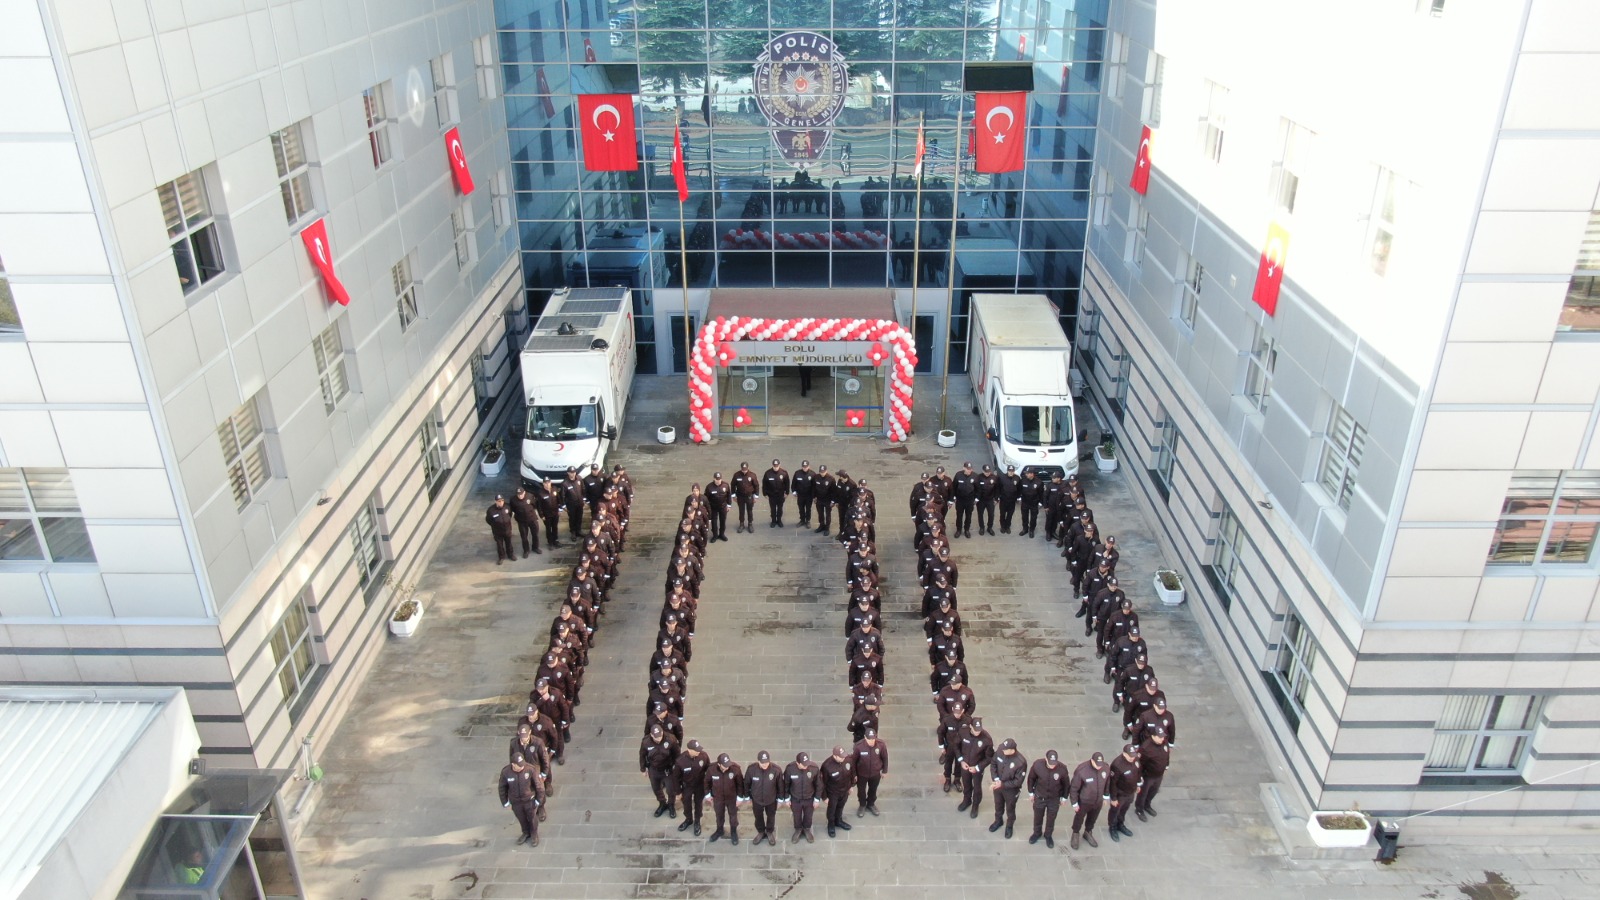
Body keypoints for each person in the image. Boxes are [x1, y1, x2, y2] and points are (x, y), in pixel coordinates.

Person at [499, 753, 545, 846]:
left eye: (522, 764)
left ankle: (534, 834)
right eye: (519, 766)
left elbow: (539, 786)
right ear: (513, 764)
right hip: (516, 802)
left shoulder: (530, 769)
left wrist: (538, 800)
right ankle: (525, 832)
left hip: (529, 800)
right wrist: (505, 802)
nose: (522, 767)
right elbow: (502, 788)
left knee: (532, 819)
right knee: (521, 818)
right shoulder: (506, 772)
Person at [1026, 749, 1067, 847]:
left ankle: (1048, 835)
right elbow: (1031, 778)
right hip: (1040, 797)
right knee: (1038, 817)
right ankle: (1037, 833)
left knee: (1051, 819)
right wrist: (1031, 793)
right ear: (1046, 759)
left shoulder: (1062, 768)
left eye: (1054, 763)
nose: (1053, 765)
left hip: (1054, 799)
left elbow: (1066, 784)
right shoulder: (1037, 765)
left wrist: (1064, 798)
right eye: (1050, 763)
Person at [956, 716, 995, 819]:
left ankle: (975, 804)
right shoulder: (963, 732)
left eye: (979, 730)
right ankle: (967, 800)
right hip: (965, 766)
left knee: (977, 787)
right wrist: (961, 760)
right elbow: (956, 746)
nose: (978, 732)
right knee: (966, 783)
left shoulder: (986, 739)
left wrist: (977, 767)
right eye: (975, 730)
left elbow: (989, 757)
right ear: (970, 727)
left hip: (977, 768)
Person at [1068, 751, 1109, 849]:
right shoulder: (1082, 770)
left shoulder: (1106, 767)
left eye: (1100, 764)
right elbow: (1074, 788)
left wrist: (1106, 796)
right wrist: (1074, 803)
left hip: (1098, 801)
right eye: (1097, 764)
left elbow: (1107, 783)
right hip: (1084, 801)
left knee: (1093, 818)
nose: (1099, 767)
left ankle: (1088, 832)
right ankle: (1075, 833)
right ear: (1092, 761)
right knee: (1079, 818)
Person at [989, 738, 1027, 838]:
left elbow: (1018, 781)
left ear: (1012, 750)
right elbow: (993, 764)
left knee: (1010, 809)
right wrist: (996, 779)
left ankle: (1009, 826)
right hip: (998, 786)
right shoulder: (1000, 752)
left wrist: (1002, 784)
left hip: (1011, 790)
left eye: (1005, 749)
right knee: (998, 805)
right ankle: (998, 820)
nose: (1003, 750)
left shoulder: (1020, 762)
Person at [640, 724, 679, 818]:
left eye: (660, 736)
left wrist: (676, 768)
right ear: (651, 735)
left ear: (662, 732)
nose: (658, 739)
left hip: (667, 769)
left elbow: (677, 754)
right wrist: (643, 768)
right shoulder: (646, 742)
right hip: (653, 769)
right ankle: (662, 803)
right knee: (656, 788)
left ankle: (671, 805)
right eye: (656, 737)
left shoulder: (670, 739)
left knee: (671, 790)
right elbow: (642, 754)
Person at [783, 751, 821, 843]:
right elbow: (786, 784)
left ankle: (807, 829)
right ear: (797, 763)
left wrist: (816, 799)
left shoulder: (814, 768)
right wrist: (787, 798)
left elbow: (819, 785)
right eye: (803, 765)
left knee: (809, 816)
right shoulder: (790, 769)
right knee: (797, 816)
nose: (806, 766)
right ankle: (798, 829)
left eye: (807, 764)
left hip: (809, 798)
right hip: (795, 798)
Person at [1106, 743, 1142, 841]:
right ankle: (1112, 827)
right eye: (1130, 756)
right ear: (1124, 754)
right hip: (1120, 794)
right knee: (1115, 811)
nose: (1132, 758)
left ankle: (1120, 824)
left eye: (1133, 756)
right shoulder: (1117, 765)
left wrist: (1138, 784)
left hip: (1130, 792)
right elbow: (1113, 783)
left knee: (1124, 810)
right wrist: (1113, 798)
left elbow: (1138, 772)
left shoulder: (1135, 759)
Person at [744, 750, 782, 845]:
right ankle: (761, 831)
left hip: (771, 800)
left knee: (771, 817)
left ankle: (769, 831)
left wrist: (781, 800)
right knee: (758, 817)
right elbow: (746, 784)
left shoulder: (776, 770)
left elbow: (780, 786)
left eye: (766, 762)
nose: (765, 765)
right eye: (762, 763)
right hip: (756, 800)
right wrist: (747, 797)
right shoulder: (751, 770)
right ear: (758, 761)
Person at [707, 753, 745, 844]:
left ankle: (733, 832)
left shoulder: (735, 769)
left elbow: (740, 784)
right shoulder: (711, 770)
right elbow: (706, 782)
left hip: (731, 797)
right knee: (719, 815)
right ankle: (719, 830)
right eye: (724, 766)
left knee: (733, 816)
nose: (727, 767)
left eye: (728, 765)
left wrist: (740, 797)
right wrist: (707, 795)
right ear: (719, 764)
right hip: (718, 797)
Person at [1134, 727, 1171, 821]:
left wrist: (1166, 765)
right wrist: (1140, 778)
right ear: (1153, 736)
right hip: (1148, 776)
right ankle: (1139, 809)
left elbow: (1167, 755)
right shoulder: (1145, 748)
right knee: (1143, 793)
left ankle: (1147, 805)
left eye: (1162, 736)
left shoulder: (1164, 743)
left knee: (1153, 791)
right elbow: (1139, 764)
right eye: (1159, 737)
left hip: (1159, 774)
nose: (1162, 738)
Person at [675, 740, 710, 835]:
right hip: (687, 786)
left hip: (699, 785)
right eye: (696, 750)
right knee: (686, 803)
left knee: (698, 804)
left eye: (699, 749)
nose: (698, 752)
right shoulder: (680, 761)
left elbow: (708, 770)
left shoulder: (703, 756)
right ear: (689, 750)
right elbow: (676, 778)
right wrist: (678, 792)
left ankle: (697, 821)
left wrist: (708, 786)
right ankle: (688, 819)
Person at [820, 746, 855, 837]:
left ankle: (838, 821)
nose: (843, 758)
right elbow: (822, 783)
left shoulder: (848, 760)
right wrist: (824, 797)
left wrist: (851, 786)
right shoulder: (827, 766)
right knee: (832, 810)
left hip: (845, 791)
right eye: (841, 757)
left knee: (840, 807)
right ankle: (831, 824)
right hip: (833, 793)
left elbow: (852, 773)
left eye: (844, 756)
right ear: (835, 756)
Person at [852, 728, 888, 817]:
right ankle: (862, 805)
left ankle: (871, 804)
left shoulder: (881, 745)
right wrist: (854, 774)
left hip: (875, 773)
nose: (872, 741)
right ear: (865, 737)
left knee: (873, 789)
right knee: (861, 791)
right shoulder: (858, 746)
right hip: (861, 774)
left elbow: (885, 758)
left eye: (873, 738)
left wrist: (884, 771)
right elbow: (853, 762)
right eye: (869, 739)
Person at [508, 487, 542, 557]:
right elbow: (512, 509)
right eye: (518, 494)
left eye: (521, 494)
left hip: (532, 519)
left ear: (524, 493)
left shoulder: (530, 496)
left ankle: (535, 547)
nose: (520, 496)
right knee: (524, 537)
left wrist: (539, 515)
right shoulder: (513, 499)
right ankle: (526, 550)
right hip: (522, 521)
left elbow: (535, 505)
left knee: (535, 534)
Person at [951, 461, 978, 538]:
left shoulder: (975, 476)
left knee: (968, 516)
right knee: (959, 515)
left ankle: (967, 530)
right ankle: (958, 530)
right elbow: (953, 487)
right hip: (960, 500)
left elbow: (978, 488)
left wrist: (976, 499)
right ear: (964, 468)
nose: (969, 470)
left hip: (970, 500)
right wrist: (954, 497)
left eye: (970, 469)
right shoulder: (958, 475)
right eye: (967, 469)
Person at [486, 495, 515, 564]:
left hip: (507, 530)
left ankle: (510, 555)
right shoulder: (491, 510)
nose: (501, 502)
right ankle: (501, 557)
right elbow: (488, 520)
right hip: (497, 532)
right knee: (499, 545)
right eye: (499, 501)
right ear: (496, 501)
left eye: (502, 501)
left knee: (509, 543)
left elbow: (510, 515)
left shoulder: (507, 506)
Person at [730, 462, 759, 533]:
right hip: (740, 496)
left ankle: (750, 524)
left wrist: (756, 496)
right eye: (743, 469)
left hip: (749, 496)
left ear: (748, 468)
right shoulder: (736, 475)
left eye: (745, 469)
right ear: (741, 468)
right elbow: (733, 485)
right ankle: (741, 524)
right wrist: (733, 496)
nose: (744, 471)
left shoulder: (752, 475)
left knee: (750, 510)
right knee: (741, 510)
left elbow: (756, 486)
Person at [535, 478, 564, 549]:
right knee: (548, 529)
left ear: (550, 482)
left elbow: (559, 500)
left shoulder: (554, 489)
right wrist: (541, 515)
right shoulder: (540, 493)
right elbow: (539, 506)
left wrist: (560, 510)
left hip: (555, 513)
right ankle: (550, 542)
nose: (547, 484)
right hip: (546, 515)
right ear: (543, 484)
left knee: (555, 527)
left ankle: (555, 541)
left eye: (548, 482)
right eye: (546, 483)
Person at [762, 459, 790, 527]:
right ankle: (773, 521)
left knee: (780, 508)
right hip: (772, 495)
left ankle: (779, 520)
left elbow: (787, 483)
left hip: (780, 495)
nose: (775, 467)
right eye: (774, 466)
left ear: (779, 465)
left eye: (777, 466)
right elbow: (764, 484)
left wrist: (787, 493)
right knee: (773, 509)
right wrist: (765, 494)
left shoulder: (784, 473)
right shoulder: (768, 473)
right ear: (772, 465)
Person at [704, 472, 731, 541]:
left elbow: (728, 495)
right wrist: (707, 508)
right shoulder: (709, 487)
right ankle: (715, 535)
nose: (718, 481)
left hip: (723, 506)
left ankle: (722, 534)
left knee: (723, 521)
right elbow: (706, 498)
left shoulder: (726, 485)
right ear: (714, 479)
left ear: (721, 479)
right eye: (716, 479)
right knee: (714, 522)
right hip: (713, 507)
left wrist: (729, 505)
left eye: (719, 479)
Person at [1017, 469, 1043, 537]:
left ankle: (1031, 530)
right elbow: (1019, 489)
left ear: (1032, 474)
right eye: (1026, 473)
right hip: (1025, 502)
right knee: (1024, 517)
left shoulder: (1039, 482)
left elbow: (1041, 493)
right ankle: (1025, 529)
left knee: (1033, 518)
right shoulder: (1023, 480)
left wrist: (1040, 503)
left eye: (1027, 473)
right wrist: (1019, 497)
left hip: (1034, 503)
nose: (1026, 474)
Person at [997, 465, 1021, 534]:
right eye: (1009, 471)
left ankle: (1007, 526)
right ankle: (1002, 526)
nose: (1011, 472)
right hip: (1003, 500)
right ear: (1007, 471)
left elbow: (1019, 489)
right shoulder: (1001, 477)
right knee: (1002, 514)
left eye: (1012, 471)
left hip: (1012, 500)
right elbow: (998, 487)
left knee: (1010, 514)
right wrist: (998, 496)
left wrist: (1018, 497)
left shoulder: (1017, 478)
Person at [975, 464, 999, 536]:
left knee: (991, 515)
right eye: (986, 472)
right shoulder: (978, 477)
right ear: (983, 471)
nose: (987, 473)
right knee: (980, 514)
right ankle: (982, 527)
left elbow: (997, 489)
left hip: (990, 500)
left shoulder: (994, 477)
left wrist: (996, 499)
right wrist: (976, 499)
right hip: (981, 500)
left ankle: (990, 528)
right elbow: (976, 488)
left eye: (988, 471)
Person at [792, 460, 817, 527]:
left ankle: (808, 521)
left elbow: (814, 486)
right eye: (803, 467)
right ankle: (802, 520)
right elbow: (794, 483)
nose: (805, 468)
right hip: (800, 495)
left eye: (806, 467)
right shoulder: (797, 473)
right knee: (801, 508)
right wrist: (794, 491)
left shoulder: (813, 474)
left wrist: (814, 496)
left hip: (809, 495)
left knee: (808, 509)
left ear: (809, 466)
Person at [812, 465, 836, 534]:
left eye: (823, 472)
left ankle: (827, 528)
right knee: (820, 514)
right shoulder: (816, 477)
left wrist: (833, 501)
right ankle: (821, 525)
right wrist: (814, 497)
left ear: (826, 471)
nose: (822, 473)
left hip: (828, 500)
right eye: (821, 472)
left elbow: (834, 491)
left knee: (828, 515)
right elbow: (814, 488)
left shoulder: (831, 479)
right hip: (819, 499)